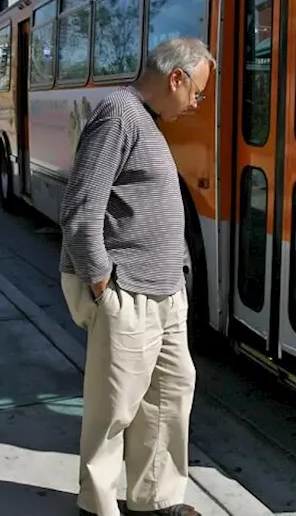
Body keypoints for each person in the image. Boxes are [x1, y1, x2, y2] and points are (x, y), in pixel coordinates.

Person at [58, 36, 215, 516]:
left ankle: (158, 499)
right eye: (197, 93)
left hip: (165, 289)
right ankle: (98, 506)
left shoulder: (141, 117)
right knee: (115, 409)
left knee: (170, 395)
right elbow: (81, 209)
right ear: (176, 78)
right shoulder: (119, 114)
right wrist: (102, 280)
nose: (195, 104)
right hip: (128, 289)